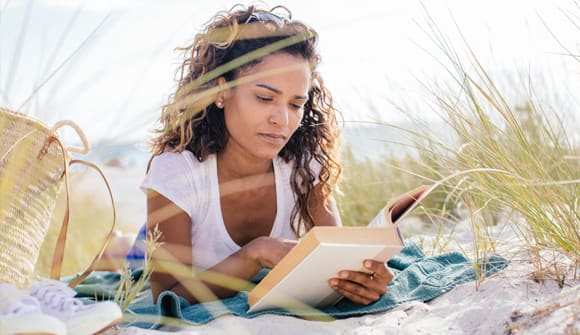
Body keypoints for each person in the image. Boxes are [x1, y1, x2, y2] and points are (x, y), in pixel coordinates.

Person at [139, 4, 394, 306]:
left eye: (295, 104)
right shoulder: (176, 172)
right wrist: (254, 254)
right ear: (221, 91)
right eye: (264, 98)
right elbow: (165, 297)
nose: (282, 121)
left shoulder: (303, 163)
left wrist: (363, 278)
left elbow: (335, 255)